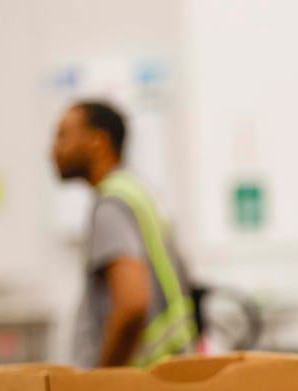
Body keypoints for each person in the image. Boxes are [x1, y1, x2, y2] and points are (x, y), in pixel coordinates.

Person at [52, 100, 197, 368]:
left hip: (138, 383)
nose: (53, 149)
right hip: (167, 374)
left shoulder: (111, 205)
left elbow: (132, 302)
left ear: (98, 141)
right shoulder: (137, 194)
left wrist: (104, 379)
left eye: (63, 135)